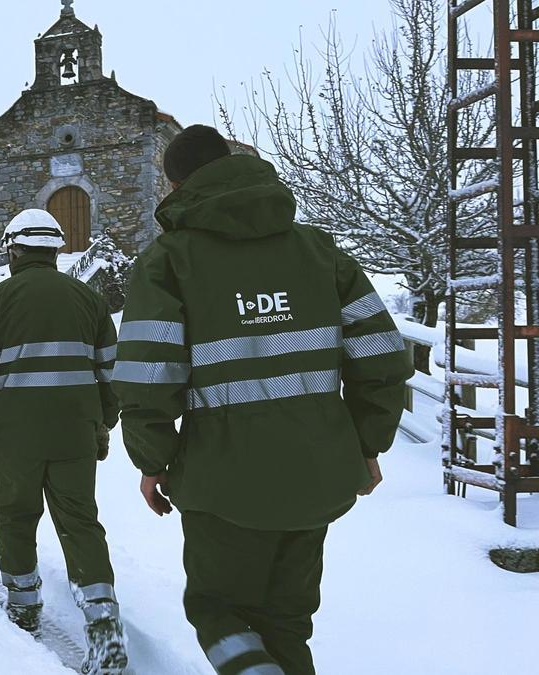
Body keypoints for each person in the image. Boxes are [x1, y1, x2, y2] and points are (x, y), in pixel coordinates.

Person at [113, 125, 411, 675]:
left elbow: (146, 379)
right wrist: (367, 446)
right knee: (287, 620)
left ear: (174, 186)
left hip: (219, 486)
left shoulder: (169, 260)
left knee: (216, 608)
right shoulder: (320, 251)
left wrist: (153, 462)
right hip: (319, 476)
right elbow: (383, 358)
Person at [0, 209, 127, 674]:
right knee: (81, 523)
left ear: (14, 249)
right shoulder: (89, 300)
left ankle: (24, 608)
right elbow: (112, 372)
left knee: (16, 515)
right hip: (75, 433)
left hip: (15, 435)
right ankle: (104, 628)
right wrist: (103, 422)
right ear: (55, 250)